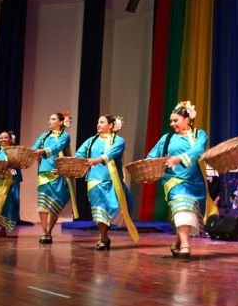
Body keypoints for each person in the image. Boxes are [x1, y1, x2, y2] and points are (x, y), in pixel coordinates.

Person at [146, 101, 217, 258]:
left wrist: (179, 159)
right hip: (173, 181)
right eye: (171, 121)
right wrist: (149, 167)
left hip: (195, 181)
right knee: (181, 207)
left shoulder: (199, 135)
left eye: (176, 120)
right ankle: (185, 245)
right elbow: (151, 157)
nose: (172, 124)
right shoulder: (167, 138)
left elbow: (198, 150)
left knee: (188, 212)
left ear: (187, 120)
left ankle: (177, 242)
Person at [75, 115, 139, 250]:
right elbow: (79, 155)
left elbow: (112, 153)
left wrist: (97, 160)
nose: (98, 124)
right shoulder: (91, 141)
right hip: (94, 180)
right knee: (99, 210)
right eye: (98, 122)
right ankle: (103, 236)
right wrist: (68, 166)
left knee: (114, 208)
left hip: (112, 181)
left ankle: (104, 235)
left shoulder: (119, 141)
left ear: (110, 125)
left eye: (102, 122)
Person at [31, 112, 75, 244]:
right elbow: (34, 148)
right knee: (43, 204)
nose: (49, 121)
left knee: (55, 203)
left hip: (58, 172)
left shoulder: (64, 136)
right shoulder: (43, 136)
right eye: (49, 118)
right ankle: (45, 232)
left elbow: (58, 147)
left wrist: (43, 151)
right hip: (44, 172)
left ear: (61, 122)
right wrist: (27, 153)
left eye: (53, 119)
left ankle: (50, 230)